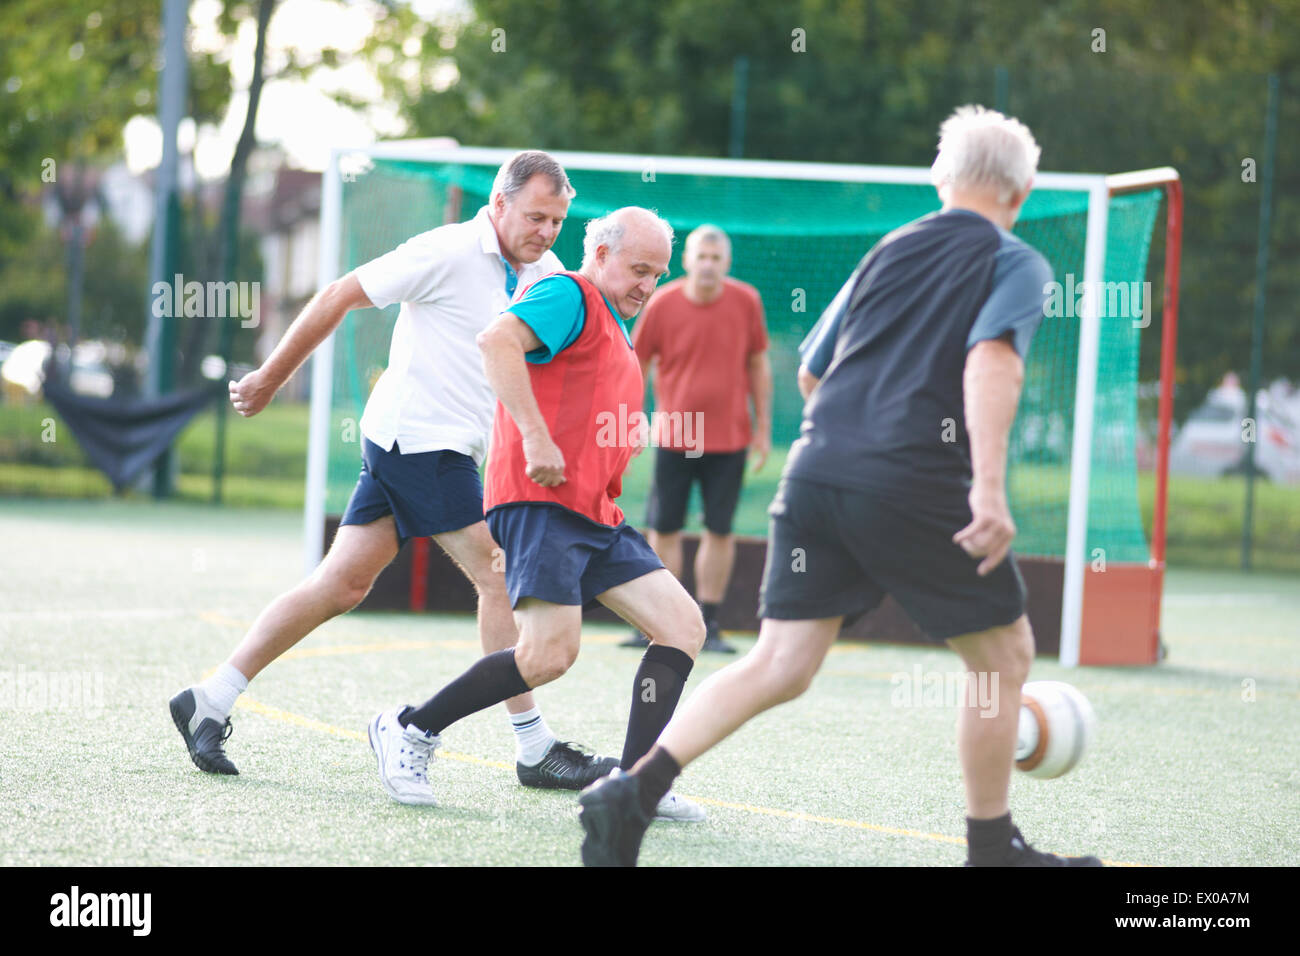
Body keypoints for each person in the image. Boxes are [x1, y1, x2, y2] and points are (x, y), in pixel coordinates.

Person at [578, 106, 1105, 867]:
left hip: (817, 473)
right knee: (1003, 658)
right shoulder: (1014, 260)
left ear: (940, 180)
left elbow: (811, 369)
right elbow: (993, 359)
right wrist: (988, 490)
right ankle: (993, 850)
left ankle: (630, 791)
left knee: (780, 663)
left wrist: (848, 454)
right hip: (915, 480)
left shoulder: (889, 248)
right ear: (1021, 192)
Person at [170, 151, 617, 792]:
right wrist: (269, 377)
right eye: (536, 216)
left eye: (557, 221)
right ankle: (533, 748)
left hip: (431, 447)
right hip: (418, 443)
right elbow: (338, 295)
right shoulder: (446, 250)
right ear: (499, 203)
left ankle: (208, 699)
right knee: (498, 575)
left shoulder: (545, 271)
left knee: (341, 585)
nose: (547, 232)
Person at [368, 207, 707, 821]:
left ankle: (634, 784)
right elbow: (496, 340)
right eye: (638, 269)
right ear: (600, 256)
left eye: (657, 275)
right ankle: (411, 729)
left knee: (682, 626)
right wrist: (534, 435)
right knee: (549, 654)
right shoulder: (567, 293)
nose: (647, 286)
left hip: (596, 514)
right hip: (543, 506)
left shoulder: (614, 323)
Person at [621, 225, 772, 654]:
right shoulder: (662, 303)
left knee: (719, 530)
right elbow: (636, 361)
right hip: (674, 436)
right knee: (664, 526)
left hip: (729, 439)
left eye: (716, 258)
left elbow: (758, 365)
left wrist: (762, 429)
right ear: (686, 261)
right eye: (700, 256)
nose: (708, 265)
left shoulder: (747, 301)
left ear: (726, 262)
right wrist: (631, 418)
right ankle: (657, 621)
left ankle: (710, 622)